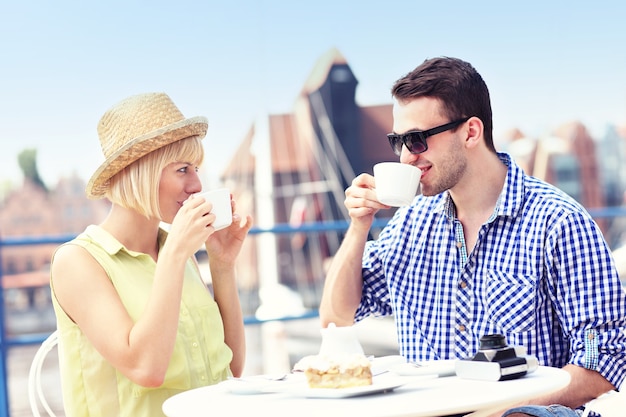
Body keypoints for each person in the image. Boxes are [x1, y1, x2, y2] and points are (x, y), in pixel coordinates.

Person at [319, 57, 626, 417]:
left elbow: (602, 362)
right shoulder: (410, 224)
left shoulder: (559, 223)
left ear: (471, 132)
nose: (405, 157)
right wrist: (359, 226)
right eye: (397, 141)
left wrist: (497, 412)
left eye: (417, 140)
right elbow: (337, 318)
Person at [50, 92, 253, 416]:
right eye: (183, 169)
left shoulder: (179, 254)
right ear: (140, 172)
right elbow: (147, 369)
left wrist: (222, 265)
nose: (197, 185)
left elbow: (231, 366)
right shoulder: (78, 262)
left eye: (196, 168)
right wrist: (174, 254)